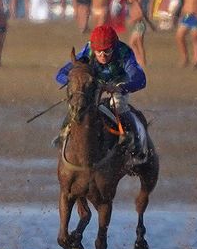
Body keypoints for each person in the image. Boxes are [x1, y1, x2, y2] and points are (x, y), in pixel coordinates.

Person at [55, 23, 150, 167]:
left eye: (107, 51)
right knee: (78, 104)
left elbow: (140, 80)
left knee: (118, 106)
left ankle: (136, 142)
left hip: (118, 84)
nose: (102, 55)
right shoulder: (88, 50)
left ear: (115, 46)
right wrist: (74, 82)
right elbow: (61, 74)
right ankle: (63, 134)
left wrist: (121, 88)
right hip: (94, 83)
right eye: (99, 52)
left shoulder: (124, 53)